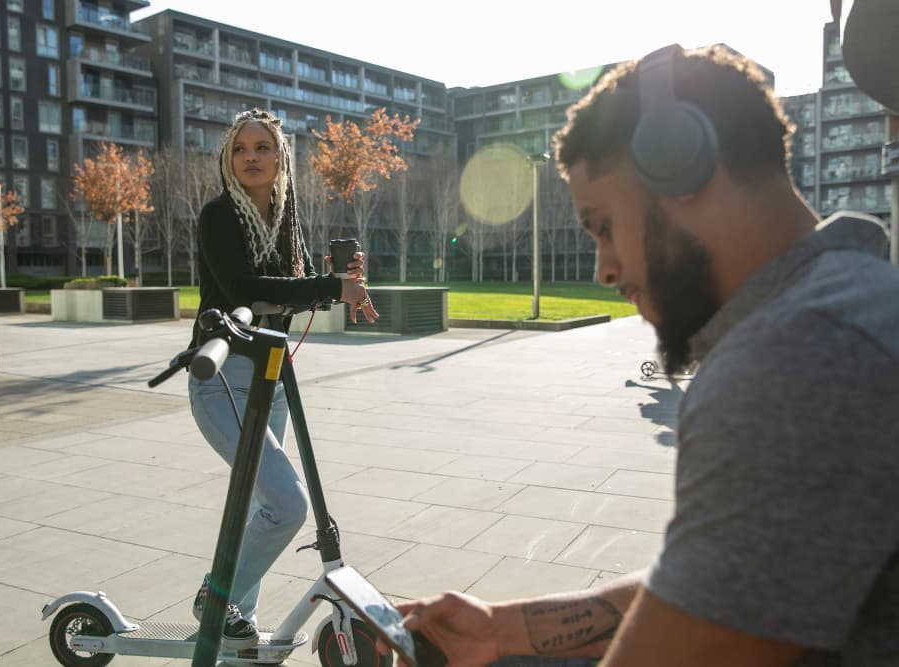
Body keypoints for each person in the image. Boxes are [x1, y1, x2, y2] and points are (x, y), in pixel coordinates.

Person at [386, 45, 899, 667]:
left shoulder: (795, 361)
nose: (603, 270)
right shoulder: (848, 307)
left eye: (603, 226)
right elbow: (716, 592)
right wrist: (500, 630)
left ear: (682, 165)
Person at [188, 108, 378, 645]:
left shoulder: (284, 220)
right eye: (241, 148)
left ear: (280, 158)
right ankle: (216, 597)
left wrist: (336, 283)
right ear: (229, 158)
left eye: (262, 148)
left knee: (259, 505)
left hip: (269, 379)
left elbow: (289, 293)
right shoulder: (219, 216)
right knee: (287, 505)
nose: (251, 157)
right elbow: (245, 289)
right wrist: (327, 286)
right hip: (222, 380)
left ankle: (235, 621)